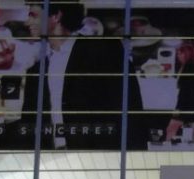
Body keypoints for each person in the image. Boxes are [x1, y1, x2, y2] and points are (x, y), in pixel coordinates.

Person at [21, 1, 146, 150]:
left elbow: (130, 110)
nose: (27, 22)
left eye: (33, 15)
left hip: (98, 159)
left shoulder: (104, 51)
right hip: (51, 162)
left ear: (56, 16)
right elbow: (29, 125)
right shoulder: (36, 69)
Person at [165, 42, 194, 142]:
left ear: (186, 54)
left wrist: (178, 108)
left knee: (171, 129)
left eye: (180, 53)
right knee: (193, 132)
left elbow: (184, 91)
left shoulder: (187, 69)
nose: (178, 56)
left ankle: (166, 152)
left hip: (185, 106)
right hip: (193, 105)